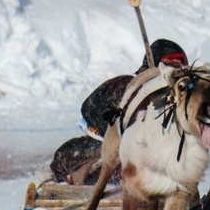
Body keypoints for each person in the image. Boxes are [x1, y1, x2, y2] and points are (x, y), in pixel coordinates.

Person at [50, 39, 189, 185]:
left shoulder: (173, 98)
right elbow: (89, 110)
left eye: (182, 67)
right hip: (98, 150)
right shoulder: (127, 86)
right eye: (173, 65)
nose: (178, 71)